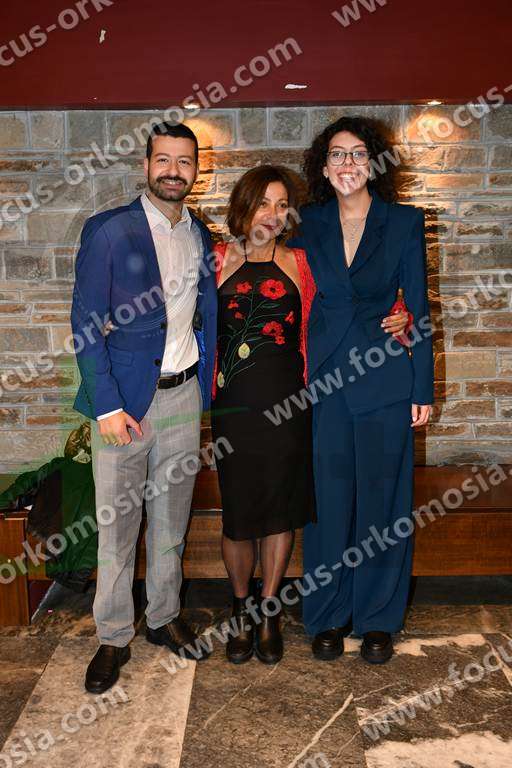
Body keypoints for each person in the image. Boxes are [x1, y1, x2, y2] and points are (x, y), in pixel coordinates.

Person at [210, 165, 410, 665]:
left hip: (291, 403)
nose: (273, 214)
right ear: (243, 206)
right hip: (232, 407)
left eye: (282, 205)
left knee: (279, 511)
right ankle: (240, 609)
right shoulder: (213, 259)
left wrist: (402, 312)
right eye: (263, 203)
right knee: (238, 517)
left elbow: (356, 298)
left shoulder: (301, 261)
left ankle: (269, 612)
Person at [71, 122, 217, 693]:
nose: (173, 171)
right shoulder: (110, 230)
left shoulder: (200, 233)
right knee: (117, 526)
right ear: (147, 164)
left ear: (196, 170)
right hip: (125, 406)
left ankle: (162, 617)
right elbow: (86, 324)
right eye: (164, 160)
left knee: (171, 522)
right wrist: (106, 405)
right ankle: (112, 637)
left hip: (184, 397)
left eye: (184, 162)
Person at [288, 116, 434, 665]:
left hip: (385, 379)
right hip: (324, 382)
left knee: (384, 505)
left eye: (356, 153)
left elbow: (417, 307)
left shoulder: (404, 222)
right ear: (323, 166)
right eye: (336, 154)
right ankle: (327, 614)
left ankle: (378, 619)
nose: (346, 163)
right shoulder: (307, 223)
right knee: (327, 505)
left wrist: (423, 386)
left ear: (373, 163)